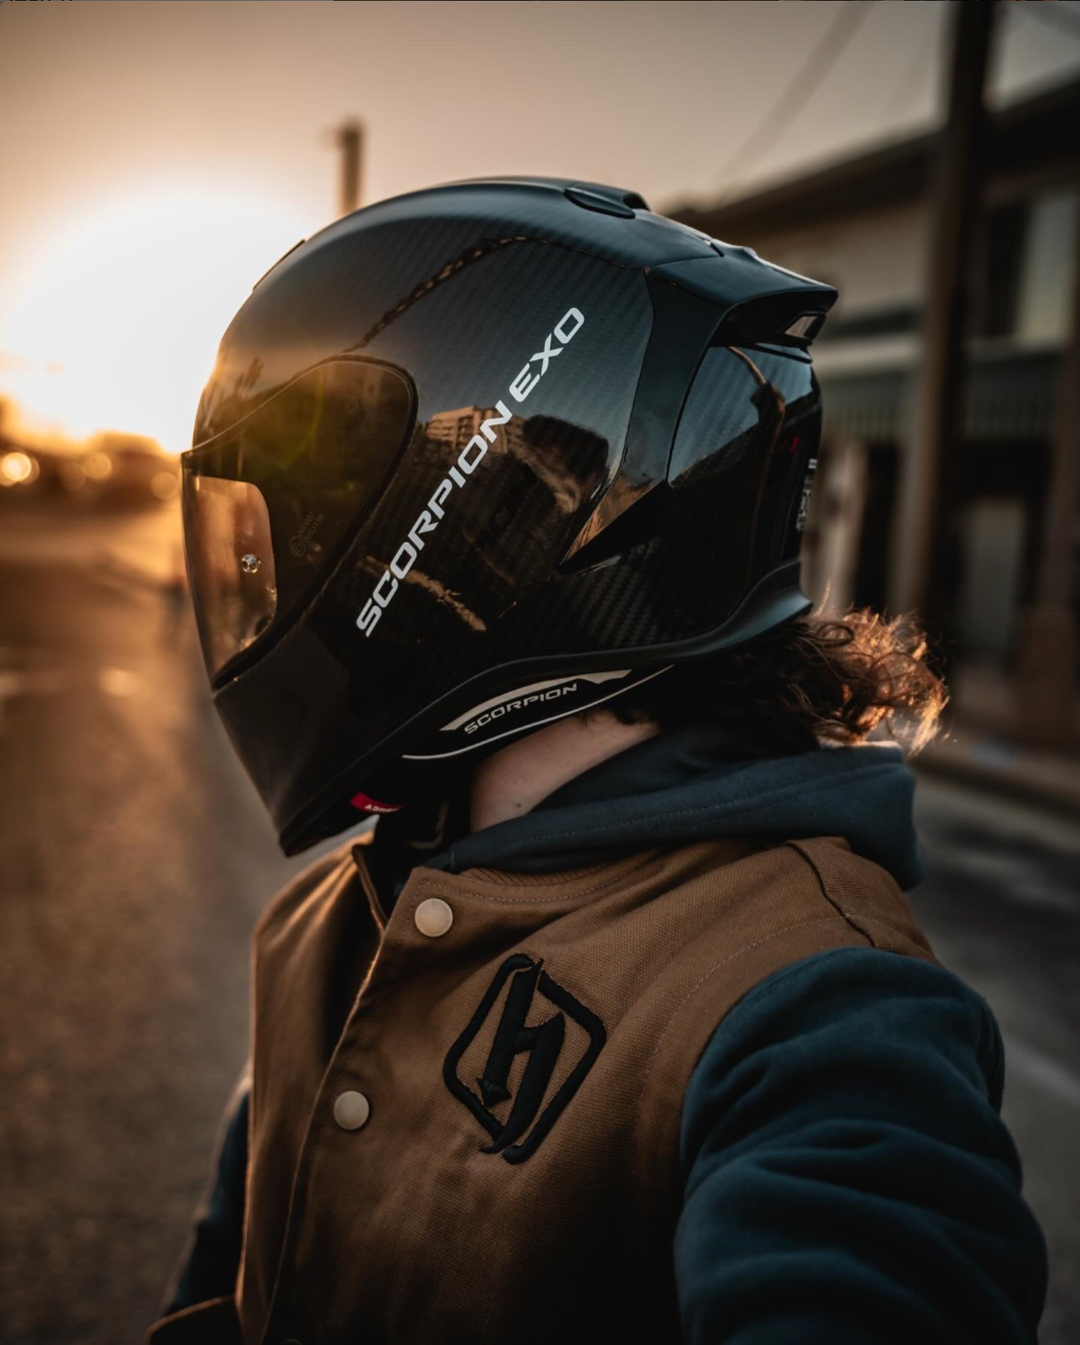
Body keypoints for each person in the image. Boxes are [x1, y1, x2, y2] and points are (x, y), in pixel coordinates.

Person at [152, 178, 1046, 1344]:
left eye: (290, 539)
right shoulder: (324, 925)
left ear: (451, 548)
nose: (260, 592)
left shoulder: (825, 1006)